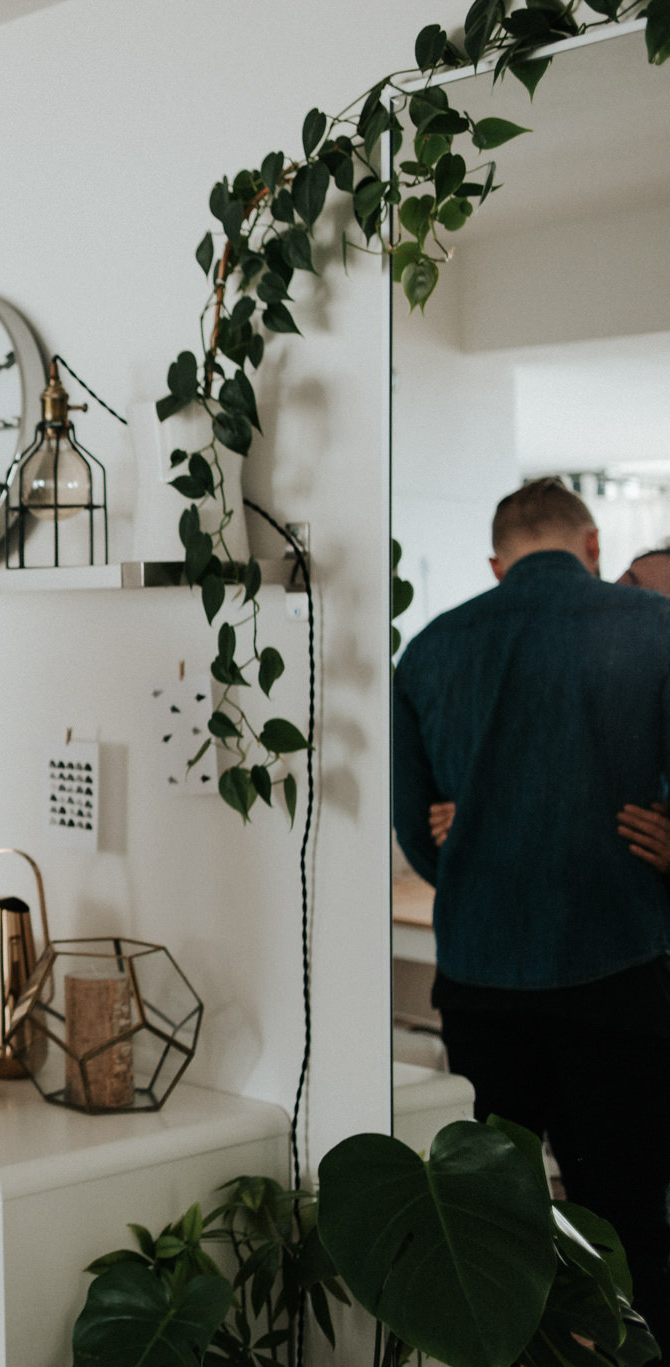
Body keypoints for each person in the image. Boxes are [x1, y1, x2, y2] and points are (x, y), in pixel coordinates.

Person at [394, 477, 670, 1339]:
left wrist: (468, 836)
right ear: (592, 546)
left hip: (481, 980)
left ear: (495, 563)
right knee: (627, 1212)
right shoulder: (657, 628)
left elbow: (420, 835)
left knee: (495, 1223)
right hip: (617, 973)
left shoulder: (431, 650)